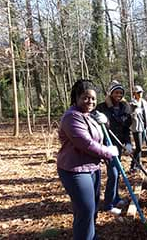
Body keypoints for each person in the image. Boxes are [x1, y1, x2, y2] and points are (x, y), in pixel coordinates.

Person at [57, 79, 119, 240]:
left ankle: (89, 236)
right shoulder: (71, 117)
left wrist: (106, 122)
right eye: (85, 97)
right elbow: (87, 144)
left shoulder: (89, 115)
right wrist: (109, 152)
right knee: (85, 210)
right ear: (76, 98)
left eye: (93, 98)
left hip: (92, 167)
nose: (90, 101)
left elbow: (99, 135)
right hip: (75, 169)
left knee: (90, 210)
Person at [96, 80, 132, 215]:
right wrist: (99, 120)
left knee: (117, 171)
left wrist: (128, 143)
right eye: (116, 92)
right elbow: (93, 123)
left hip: (118, 145)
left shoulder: (125, 107)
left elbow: (126, 128)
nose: (118, 95)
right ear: (110, 93)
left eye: (121, 93)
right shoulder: (101, 108)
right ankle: (108, 204)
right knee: (114, 173)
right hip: (107, 145)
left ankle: (116, 198)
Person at [129, 85, 147, 172]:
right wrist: (134, 112)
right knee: (138, 147)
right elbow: (129, 115)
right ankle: (133, 165)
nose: (140, 94)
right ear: (134, 93)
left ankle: (137, 164)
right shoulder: (132, 103)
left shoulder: (145, 103)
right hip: (137, 127)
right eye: (138, 92)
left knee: (140, 147)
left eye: (141, 92)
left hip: (144, 127)